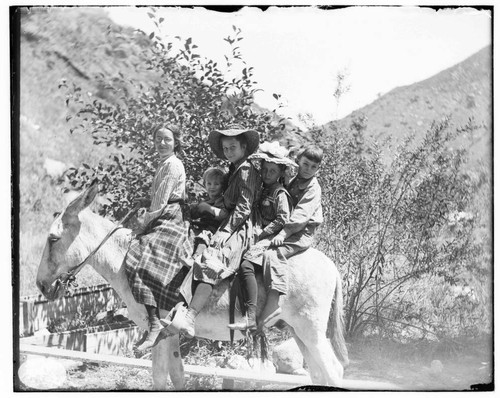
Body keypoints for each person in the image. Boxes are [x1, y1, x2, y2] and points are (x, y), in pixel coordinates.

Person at [172, 126, 262, 338]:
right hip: (233, 220)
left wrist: (227, 230)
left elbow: (244, 206)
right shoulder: (235, 169)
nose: (229, 151)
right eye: (225, 148)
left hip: (243, 224)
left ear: (244, 147)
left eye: (233, 147)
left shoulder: (246, 170)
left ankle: (191, 316)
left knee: (213, 257)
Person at [124, 124, 193, 351]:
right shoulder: (164, 163)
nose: (162, 143)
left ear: (176, 142)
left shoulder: (173, 164)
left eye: (167, 139)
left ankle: (155, 323)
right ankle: (149, 318)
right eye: (158, 139)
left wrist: (143, 224)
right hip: (166, 212)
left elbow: (162, 202)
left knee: (143, 253)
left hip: (171, 216)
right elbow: (158, 198)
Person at [227, 141, 296, 331]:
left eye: (272, 171)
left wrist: (263, 233)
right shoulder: (262, 188)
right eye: (265, 170)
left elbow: (283, 219)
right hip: (256, 230)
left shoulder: (280, 193)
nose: (266, 174)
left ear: (281, 173)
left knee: (246, 264)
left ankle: (250, 315)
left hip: (269, 235)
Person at [258, 145, 324, 330]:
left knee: (273, 254)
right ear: (298, 162)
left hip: (300, 232)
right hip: (288, 227)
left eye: (313, 167)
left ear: (318, 169)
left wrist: (283, 234)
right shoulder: (294, 179)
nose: (308, 169)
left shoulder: (312, 187)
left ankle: (273, 304)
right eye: (305, 164)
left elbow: (301, 216)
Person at [189, 167, 228, 257]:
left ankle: (196, 257)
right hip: (201, 225)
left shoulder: (221, 200)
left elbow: (223, 214)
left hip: (214, 228)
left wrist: (207, 208)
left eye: (216, 184)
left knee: (204, 237)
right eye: (209, 183)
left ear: (222, 186)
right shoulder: (205, 200)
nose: (212, 187)